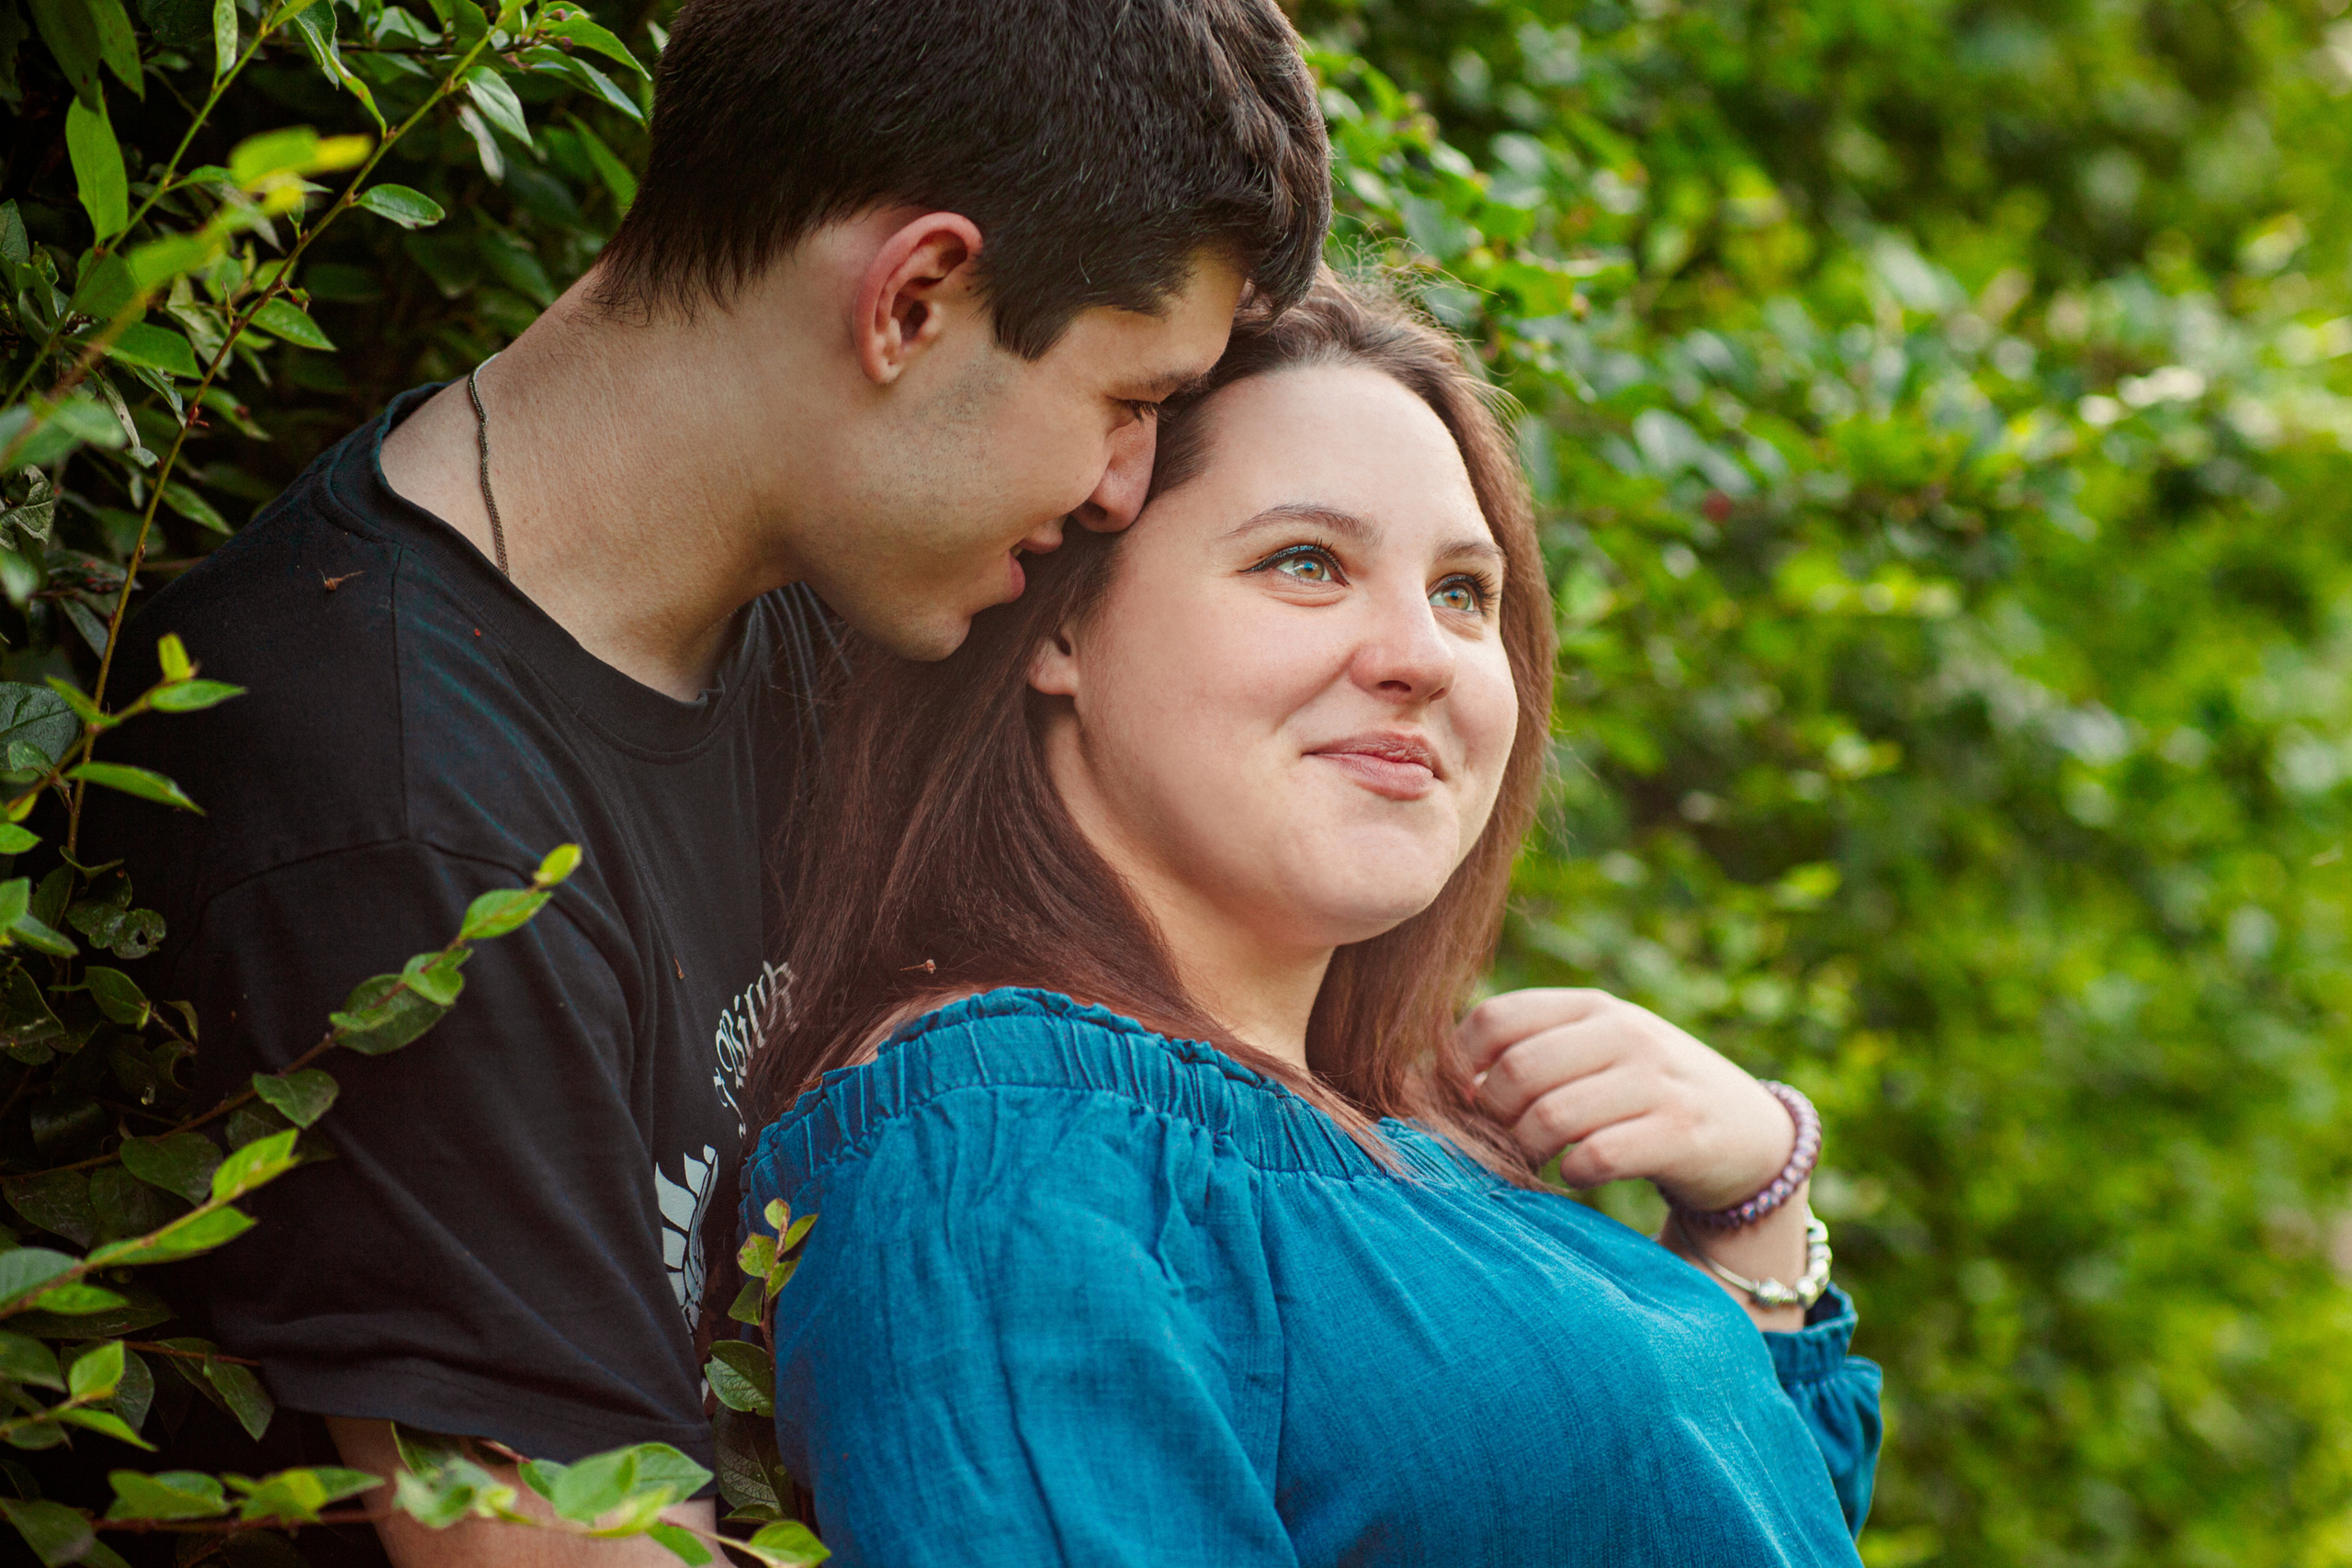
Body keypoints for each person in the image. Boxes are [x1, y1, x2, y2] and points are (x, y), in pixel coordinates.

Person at [74, 1, 1329, 1562]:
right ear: (915, 298)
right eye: (1127, 403)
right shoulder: (390, 808)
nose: (1120, 492)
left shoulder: (835, 605)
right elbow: (546, 1551)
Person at [734, 274, 1884, 1566]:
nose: (1422, 653)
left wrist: (1753, 1208)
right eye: (1305, 563)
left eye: (1464, 592)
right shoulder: (1004, 1141)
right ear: (1058, 626)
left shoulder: (1399, 1137)